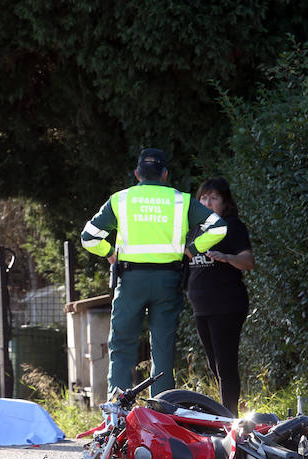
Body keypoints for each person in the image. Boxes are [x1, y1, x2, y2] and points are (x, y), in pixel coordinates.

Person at [81, 149, 227, 396]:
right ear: (165, 174)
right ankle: (161, 414)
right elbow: (218, 226)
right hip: (167, 282)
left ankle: (116, 414)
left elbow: (88, 237)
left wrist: (109, 253)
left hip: (130, 282)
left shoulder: (121, 199)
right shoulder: (180, 200)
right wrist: (192, 249)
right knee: (162, 349)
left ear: (137, 174)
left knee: (122, 346)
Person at [186, 177, 254, 415]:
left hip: (226, 304)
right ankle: (227, 413)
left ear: (225, 202)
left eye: (214, 198)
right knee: (215, 366)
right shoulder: (194, 228)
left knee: (225, 365)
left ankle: (230, 419)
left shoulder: (231, 226)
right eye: (203, 198)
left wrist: (227, 258)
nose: (208, 202)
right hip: (200, 306)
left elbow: (248, 261)